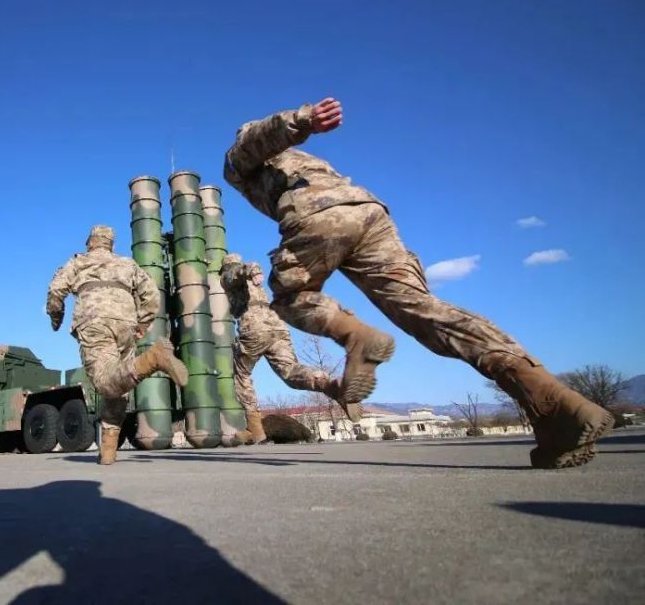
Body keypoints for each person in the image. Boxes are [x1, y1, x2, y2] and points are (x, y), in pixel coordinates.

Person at [223, 98, 612, 468]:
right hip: (370, 214)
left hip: (322, 216)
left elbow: (255, 137)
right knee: (427, 315)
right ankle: (553, 403)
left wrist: (303, 119)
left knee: (289, 296)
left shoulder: (241, 161)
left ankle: (355, 337)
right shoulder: (306, 162)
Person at [46, 225, 188, 465]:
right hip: (126, 324)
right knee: (120, 387)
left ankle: (154, 359)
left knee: (105, 382)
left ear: (90, 242)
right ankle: (108, 452)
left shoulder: (78, 261)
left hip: (94, 321)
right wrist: (142, 324)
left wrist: (55, 318)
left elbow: (56, 291)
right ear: (111, 244)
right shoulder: (127, 264)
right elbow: (152, 295)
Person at [221, 253, 351, 444]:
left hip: (254, 328)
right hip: (277, 326)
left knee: (241, 375)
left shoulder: (229, 275)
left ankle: (255, 429)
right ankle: (325, 383)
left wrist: (250, 269)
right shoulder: (255, 287)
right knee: (290, 371)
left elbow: (235, 273)